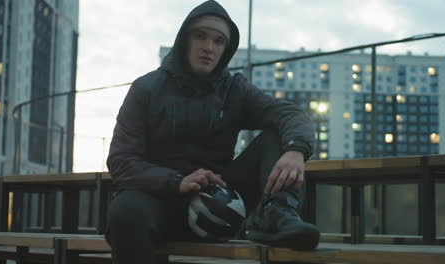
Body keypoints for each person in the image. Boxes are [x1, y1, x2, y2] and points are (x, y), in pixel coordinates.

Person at [106, 1, 320, 263]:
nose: (209, 47)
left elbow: (290, 114)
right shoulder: (146, 88)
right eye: (200, 36)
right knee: (125, 212)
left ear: (226, 49)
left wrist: (297, 149)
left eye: (219, 41)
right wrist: (177, 181)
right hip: (160, 197)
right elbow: (121, 161)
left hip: (220, 195)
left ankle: (277, 216)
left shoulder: (234, 89)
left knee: (278, 136)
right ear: (184, 39)